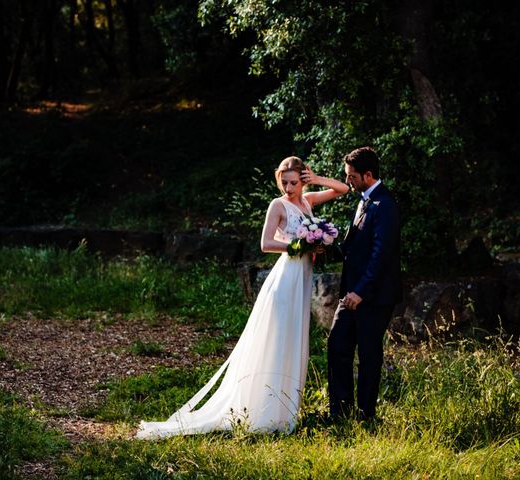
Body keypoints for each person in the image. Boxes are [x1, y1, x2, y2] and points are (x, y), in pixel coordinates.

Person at [136, 156, 349, 439]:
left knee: (294, 338)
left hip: (302, 277)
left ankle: (284, 411)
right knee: (278, 338)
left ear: (303, 179)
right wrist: (300, 244)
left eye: (294, 182)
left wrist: (317, 180)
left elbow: (342, 189)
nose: (288, 187)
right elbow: (266, 243)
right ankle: (263, 411)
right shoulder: (278, 205)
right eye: (284, 182)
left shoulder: (307, 201)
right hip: (286, 278)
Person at [328, 146, 402, 421]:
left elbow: (380, 255)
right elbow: (353, 247)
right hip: (351, 293)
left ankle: (366, 414)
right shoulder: (364, 200)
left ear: (368, 175)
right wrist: (322, 244)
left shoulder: (386, 206)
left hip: (374, 296)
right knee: (337, 345)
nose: (348, 181)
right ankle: (339, 411)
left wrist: (360, 292)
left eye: (352, 176)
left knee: (369, 355)